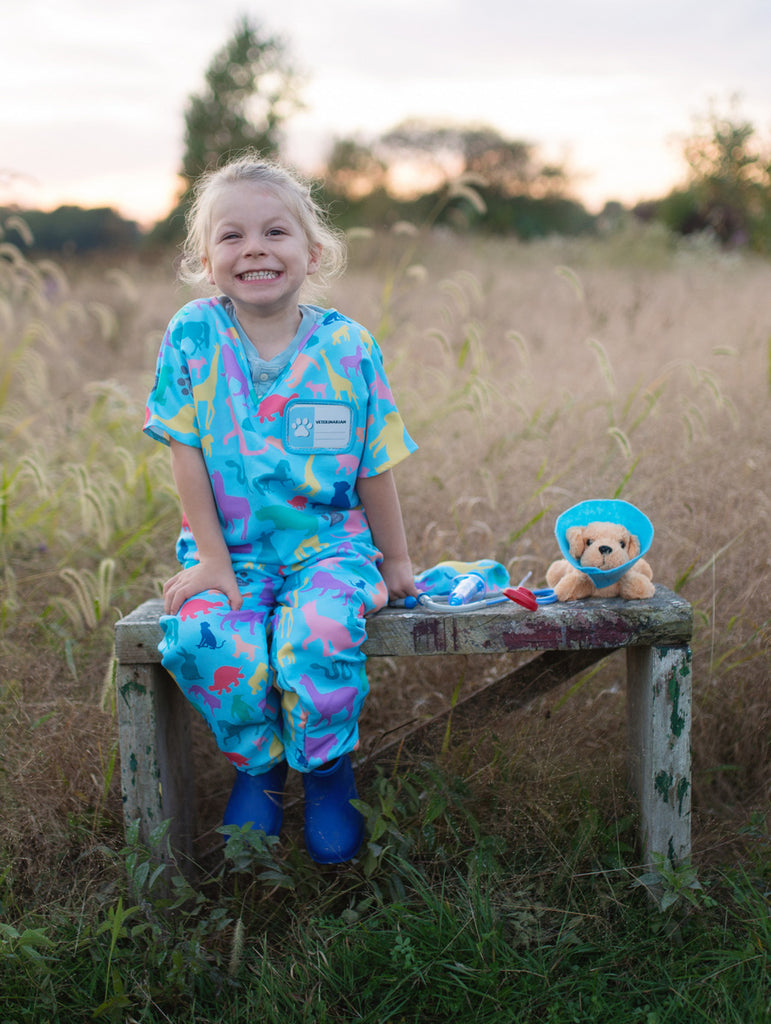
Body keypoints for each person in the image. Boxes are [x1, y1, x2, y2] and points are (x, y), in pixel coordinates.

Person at [144, 154, 418, 864]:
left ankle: (326, 771)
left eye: (275, 232)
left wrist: (397, 560)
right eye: (231, 236)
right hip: (229, 552)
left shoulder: (346, 348)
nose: (255, 248)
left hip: (329, 550)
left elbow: (372, 462)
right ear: (206, 260)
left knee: (319, 635)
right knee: (205, 640)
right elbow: (185, 453)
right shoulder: (194, 336)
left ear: (312, 251)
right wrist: (209, 559)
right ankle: (259, 768)